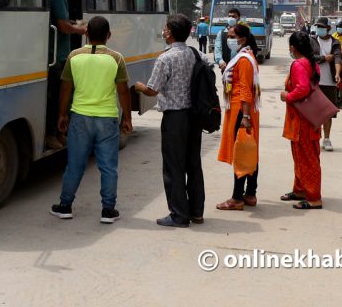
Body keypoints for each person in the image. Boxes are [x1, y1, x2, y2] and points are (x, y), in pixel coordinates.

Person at [50, 16, 133, 223]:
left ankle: (65, 206)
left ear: (86, 34)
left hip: (80, 117)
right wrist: (127, 118)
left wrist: (62, 114)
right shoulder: (116, 58)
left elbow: (66, 88)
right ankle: (108, 210)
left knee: (75, 165)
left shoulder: (74, 56)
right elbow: (123, 92)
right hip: (107, 119)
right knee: (108, 167)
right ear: (109, 36)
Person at [135, 13, 205, 228]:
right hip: (194, 116)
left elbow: (152, 89)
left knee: (174, 166)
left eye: (166, 28)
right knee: (193, 164)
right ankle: (196, 211)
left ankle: (178, 214)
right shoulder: (196, 54)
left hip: (175, 118)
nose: (163, 31)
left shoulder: (165, 58)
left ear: (170, 32)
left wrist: (138, 86)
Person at [215, 22, 261, 211]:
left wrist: (246, 117)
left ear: (242, 39)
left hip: (242, 112)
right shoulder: (245, 56)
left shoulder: (243, 60)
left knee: (241, 153)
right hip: (244, 110)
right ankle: (250, 193)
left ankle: (237, 198)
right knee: (249, 151)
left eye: (232, 36)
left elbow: (244, 90)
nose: (229, 39)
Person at [280, 31, 323, 209]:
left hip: (302, 120)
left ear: (292, 47)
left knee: (307, 157)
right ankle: (300, 189)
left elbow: (302, 89)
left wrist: (287, 96)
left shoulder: (298, 64)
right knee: (301, 155)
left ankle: (313, 197)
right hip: (309, 117)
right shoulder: (311, 64)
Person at [46, 0, 87, 149]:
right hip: (56, 56)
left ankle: (60, 133)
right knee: (58, 98)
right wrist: (82, 29)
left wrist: (72, 24)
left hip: (58, 54)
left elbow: (62, 21)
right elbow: (62, 26)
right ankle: (52, 134)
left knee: (61, 96)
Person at [310, 17, 342, 151]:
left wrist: (337, 73)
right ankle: (314, 138)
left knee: (328, 113)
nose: (320, 29)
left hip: (330, 82)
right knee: (314, 112)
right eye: (318, 27)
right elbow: (309, 57)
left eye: (322, 27)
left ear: (328, 29)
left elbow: (337, 58)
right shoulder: (312, 41)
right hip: (315, 82)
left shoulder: (335, 42)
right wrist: (324, 58)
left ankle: (327, 139)